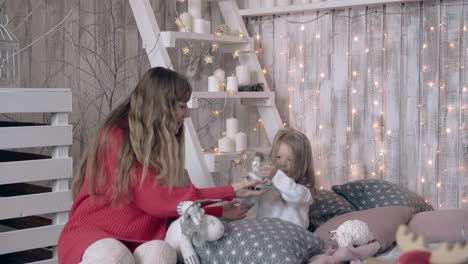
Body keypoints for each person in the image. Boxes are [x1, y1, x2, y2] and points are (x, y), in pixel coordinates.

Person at [57, 67, 266, 264]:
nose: (188, 114)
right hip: (93, 236)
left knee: (162, 252)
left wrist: (218, 210)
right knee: (114, 256)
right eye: (182, 107)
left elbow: (164, 204)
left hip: (136, 238)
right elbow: (157, 200)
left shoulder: (154, 144)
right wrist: (231, 191)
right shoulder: (115, 138)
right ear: (161, 107)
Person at [251, 128, 316, 229]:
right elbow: (247, 203)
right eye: (278, 157)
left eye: (290, 159)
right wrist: (251, 184)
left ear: (302, 164)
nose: (282, 163)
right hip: (264, 234)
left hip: (290, 237)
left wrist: (276, 175)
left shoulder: (303, 191)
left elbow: (292, 194)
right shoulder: (267, 185)